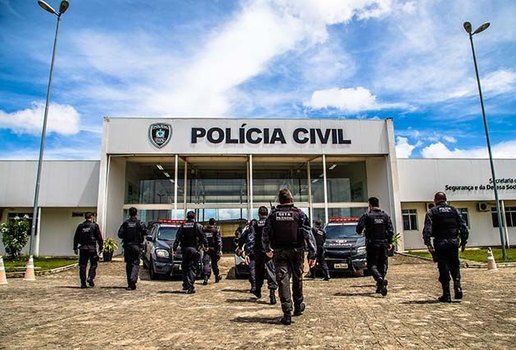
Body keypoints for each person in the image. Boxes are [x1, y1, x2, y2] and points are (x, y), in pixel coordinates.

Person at [263, 189, 316, 325]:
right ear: (291, 199)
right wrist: (312, 253)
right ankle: (298, 306)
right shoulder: (299, 214)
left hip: (279, 252)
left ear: (279, 201)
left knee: (283, 281)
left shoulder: (273, 215)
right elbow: (308, 234)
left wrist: (267, 249)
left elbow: (265, 233)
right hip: (297, 251)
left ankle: (287, 313)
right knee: (298, 278)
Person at [423, 192, 469, 302]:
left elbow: (427, 230)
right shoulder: (454, 210)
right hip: (453, 241)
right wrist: (463, 242)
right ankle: (457, 287)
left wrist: (428, 243)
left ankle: (447, 294)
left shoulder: (432, 212)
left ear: (435, 200)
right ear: (445, 199)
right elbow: (463, 227)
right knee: (455, 265)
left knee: (443, 267)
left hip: (440, 242)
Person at [356, 197, 394, 296]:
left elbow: (358, 228)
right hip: (383, 244)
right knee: (383, 264)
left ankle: (379, 280)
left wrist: (362, 231)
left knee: (371, 265)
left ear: (370, 205)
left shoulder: (367, 216)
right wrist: (390, 242)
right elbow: (390, 230)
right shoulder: (385, 216)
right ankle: (380, 286)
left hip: (372, 243)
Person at [248, 206, 278, 305]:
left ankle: (258, 291)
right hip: (269, 251)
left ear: (259, 214)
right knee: (271, 271)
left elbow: (251, 237)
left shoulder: (255, 223)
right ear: (267, 213)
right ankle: (272, 294)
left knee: (258, 271)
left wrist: (249, 250)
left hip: (258, 251)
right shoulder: (270, 222)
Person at [173, 211, 207, 294]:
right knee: (192, 268)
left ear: (187, 217)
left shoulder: (182, 226)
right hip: (194, 250)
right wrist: (205, 245)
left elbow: (177, 238)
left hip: (184, 249)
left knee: (185, 267)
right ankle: (190, 286)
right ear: (194, 217)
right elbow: (203, 236)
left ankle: (185, 284)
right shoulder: (198, 226)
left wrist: (174, 248)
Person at [118, 207, 147, 290]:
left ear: (129, 213)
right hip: (137, 246)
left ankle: (130, 284)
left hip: (127, 246)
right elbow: (145, 232)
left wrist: (127, 236)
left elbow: (120, 234)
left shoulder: (125, 223)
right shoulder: (139, 223)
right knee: (135, 263)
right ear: (136, 213)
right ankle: (133, 279)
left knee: (129, 264)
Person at [73, 212, 103, 288]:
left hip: (83, 248)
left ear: (85, 217)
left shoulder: (80, 226)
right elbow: (99, 237)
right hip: (92, 248)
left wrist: (75, 248)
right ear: (92, 217)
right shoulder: (95, 226)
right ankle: (90, 277)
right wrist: (101, 247)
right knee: (94, 264)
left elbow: (76, 238)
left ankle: (83, 282)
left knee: (82, 265)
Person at [236, 220, 256, 294]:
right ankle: (272, 290)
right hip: (263, 253)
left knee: (252, 269)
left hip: (251, 253)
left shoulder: (248, 231)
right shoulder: (263, 229)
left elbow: (241, 240)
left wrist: (240, 248)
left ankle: (254, 285)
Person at [202, 218, 223, 285]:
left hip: (207, 249)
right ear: (214, 223)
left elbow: (202, 239)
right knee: (214, 264)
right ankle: (216, 276)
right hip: (214, 249)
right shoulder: (216, 230)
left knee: (206, 263)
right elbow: (219, 241)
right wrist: (219, 250)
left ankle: (205, 277)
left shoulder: (205, 230)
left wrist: (203, 247)